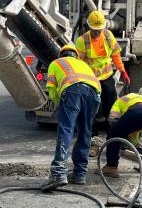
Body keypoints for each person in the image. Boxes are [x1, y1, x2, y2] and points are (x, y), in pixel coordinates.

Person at [42, 43, 101, 189]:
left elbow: (52, 90)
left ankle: (58, 173)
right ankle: (80, 174)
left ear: (61, 55)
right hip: (94, 95)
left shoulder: (56, 63)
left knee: (66, 130)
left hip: (72, 90)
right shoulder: (83, 64)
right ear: (76, 55)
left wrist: (61, 103)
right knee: (85, 133)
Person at [75, 10, 130, 132]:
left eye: (99, 29)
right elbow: (79, 64)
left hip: (107, 77)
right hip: (91, 80)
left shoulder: (108, 36)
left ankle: (112, 131)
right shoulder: (82, 41)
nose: (97, 32)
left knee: (110, 105)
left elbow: (116, 55)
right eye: (94, 30)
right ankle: (92, 136)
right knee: (91, 107)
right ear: (89, 27)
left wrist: (123, 71)